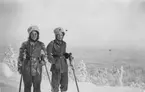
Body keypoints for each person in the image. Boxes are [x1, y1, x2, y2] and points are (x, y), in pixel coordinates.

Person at [17, 25, 47, 92]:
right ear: (30, 35)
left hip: (37, 68)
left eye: (35, 34)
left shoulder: (41, 44)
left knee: (37, 86)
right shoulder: (25, 44)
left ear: (38, 34)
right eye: (32, 34)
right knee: (27, 86)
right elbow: (20, 57)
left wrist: (43, 59)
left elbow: (45, 55)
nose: (34, 35)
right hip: (27, 67)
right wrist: (20, 66)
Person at [46, 27, 73, 92]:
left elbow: (63, 53)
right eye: (58, 35)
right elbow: (48, 54)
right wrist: (53, 61)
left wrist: (67, 55)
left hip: (64, 65)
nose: (60, 36)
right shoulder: (52, 43)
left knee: (64, 83)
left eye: (61, 35)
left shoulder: (64, 43)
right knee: (55, 84)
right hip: (56, 66)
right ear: (56, 35)